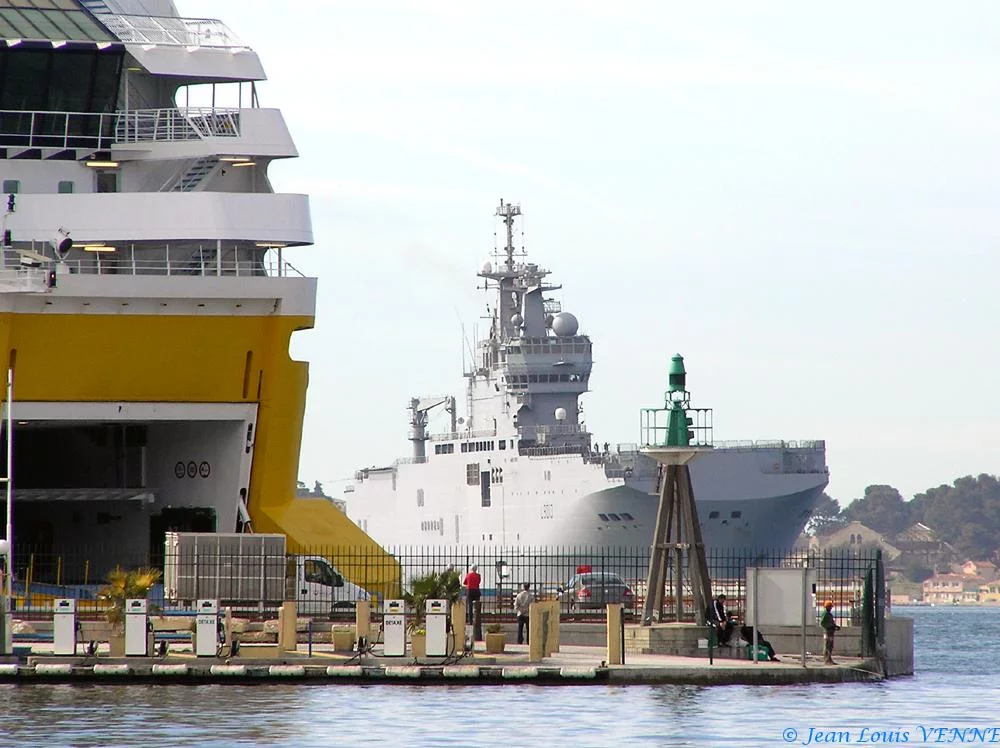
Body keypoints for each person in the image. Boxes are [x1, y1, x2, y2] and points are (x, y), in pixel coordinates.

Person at [821, 600, 841, 665]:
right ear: (827, 607)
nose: (831, 608)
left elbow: (831, 623)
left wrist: (835, 626)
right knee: (827, 645)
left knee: (830, 646)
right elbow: (822, 623)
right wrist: (830, 626)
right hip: (827, 632)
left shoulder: (829, 614)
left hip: (831, 632)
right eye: (830, 607)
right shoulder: (825, 614)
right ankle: (827, 660)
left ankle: (829, 659)